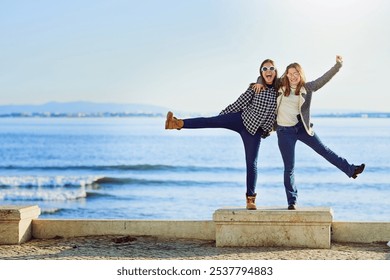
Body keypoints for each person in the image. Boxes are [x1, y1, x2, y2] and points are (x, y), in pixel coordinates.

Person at [253, 56, 365, 210]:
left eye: (296, 74)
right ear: (286, 75)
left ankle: (351, 170)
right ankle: (292, 201)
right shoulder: (279, 85)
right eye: (290, 73)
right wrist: (259, 82)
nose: (293, 76)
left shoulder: (308, 87)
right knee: (289, 167)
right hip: (284, 132)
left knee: (324, 151)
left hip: (301, 128)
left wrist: (338, 65)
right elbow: (266, 77)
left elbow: (324, 79)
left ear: (301, 75)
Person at [165, 59, 278, 210]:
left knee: (251, 163)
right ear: (261, 73)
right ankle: (176, 123)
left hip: (255, 131)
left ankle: (250, 199)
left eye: (271, 68)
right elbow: (239, 103)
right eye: (264, 69)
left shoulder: (280, 90)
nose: (268, 71)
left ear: (275, 72)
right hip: (241, 118)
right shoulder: (255, 88)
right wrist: (222, 117)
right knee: (210, 121)